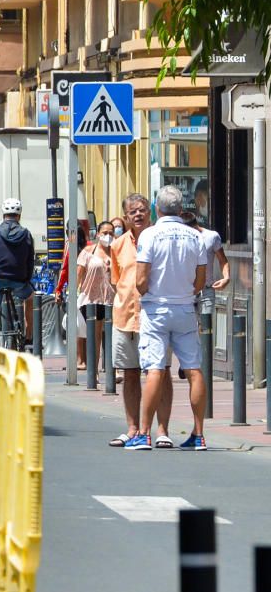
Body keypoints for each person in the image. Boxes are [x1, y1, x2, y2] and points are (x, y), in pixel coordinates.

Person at [131, 186, 208, 451]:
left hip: (156, 308)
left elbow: (141, 278)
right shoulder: (194, 235)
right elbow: (200, 280)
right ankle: (198, 434)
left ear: (157, 208)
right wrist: (186, 291)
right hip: (185, 307)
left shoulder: (150, 235)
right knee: (193, 369)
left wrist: (146, 291)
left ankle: (143, 433)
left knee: (154, 368)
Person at [110, 193, 174, 449]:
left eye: (143, 210)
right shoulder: (118, 245)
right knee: (130, 372)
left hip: (156, 316)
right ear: (125, 217)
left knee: (161, 372)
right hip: (126, 316)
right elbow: (117, 281)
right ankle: (132, 429)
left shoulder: (160, 239)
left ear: (152, 212)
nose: (138, 215)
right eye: (133, 212)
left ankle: (162, 430)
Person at [0, 198, 35, 363]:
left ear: (3, 214)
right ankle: (29, 335)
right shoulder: (26, 234)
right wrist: (26, 279)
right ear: (19, 215)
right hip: (18, 281)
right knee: (31, 299)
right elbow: (30, 261)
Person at [77, 221, 117, 377]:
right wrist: (71, 296)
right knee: (96, 337)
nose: (108, 236)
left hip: (112, 299)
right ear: (98, 234)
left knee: (113, 336)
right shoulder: (88, 251)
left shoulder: (116, 251)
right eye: (105, 232)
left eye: (111, 233)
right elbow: (78, 274)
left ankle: (113, 371)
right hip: (91, 300)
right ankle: (94, 374)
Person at [54, 226, 90, 369]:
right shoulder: (90, 247)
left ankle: (79, 361)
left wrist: (58, 289)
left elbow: (64, 270)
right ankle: (85, 360)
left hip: (76, 290)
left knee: (75, 326)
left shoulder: (70, 247)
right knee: (86, 325)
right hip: (89, 290)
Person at [181, 211, 230, 316]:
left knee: (206, 327)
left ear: (195, 226)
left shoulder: (211, 236)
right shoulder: (180, 239)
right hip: (187, 291)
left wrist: (226, 278)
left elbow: (223, 260)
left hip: (206, 290)